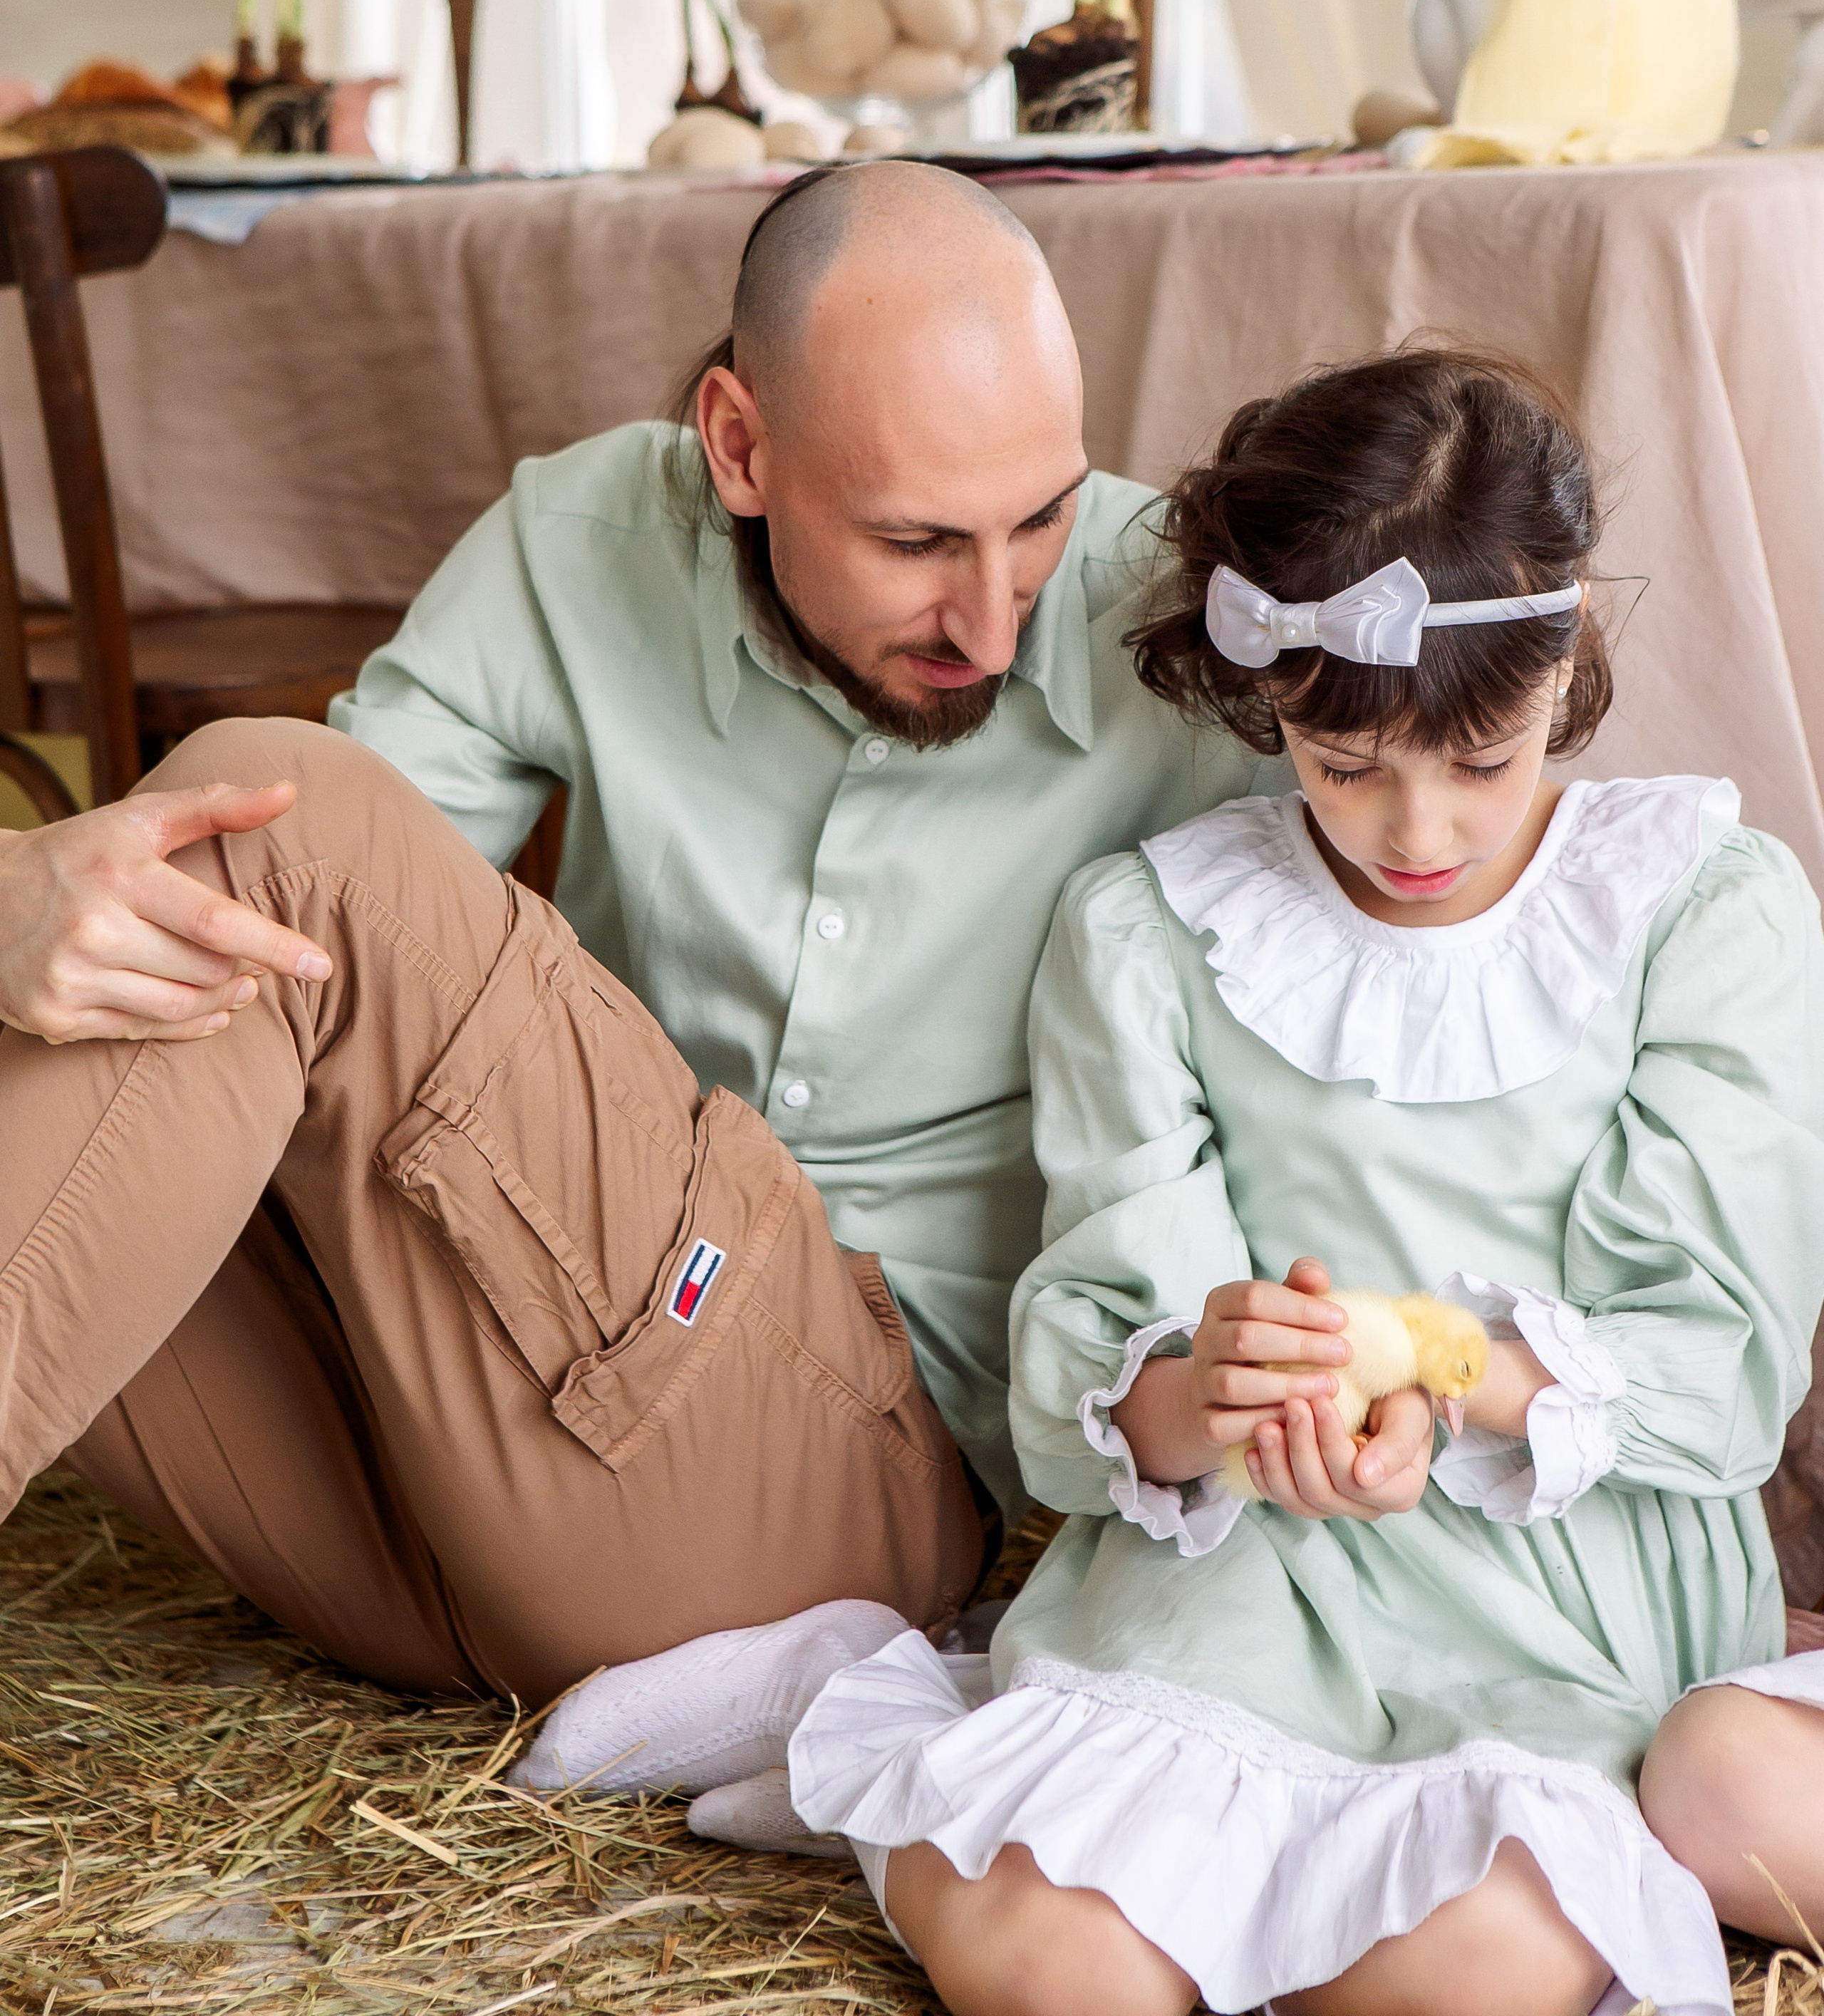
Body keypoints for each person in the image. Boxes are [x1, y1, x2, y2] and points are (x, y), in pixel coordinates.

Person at [0, 162, 1258, 1710]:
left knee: (265, 836)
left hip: (825, 1490)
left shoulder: (1190, 636)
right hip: (441, 1495)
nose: (991, 624)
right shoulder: (585, 537)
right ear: (738, 445)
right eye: (916, 542)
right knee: (130, 953)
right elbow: (284, 933)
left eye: (1040, 518)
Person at [788, 347, 1824, 2016]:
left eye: (1478, 764)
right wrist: (1227, 1390)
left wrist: (1432, 1362)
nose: (1412, 828)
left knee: (1469, 1957)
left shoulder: (1696, 909)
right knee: (1055, 1962)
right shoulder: (1148, 931)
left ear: (1563, 671)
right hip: (1241, 1573)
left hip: (1560, 1572)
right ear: (1262, 701)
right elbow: (1091, 1367)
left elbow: (1715, 1372)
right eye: (1343, 770)